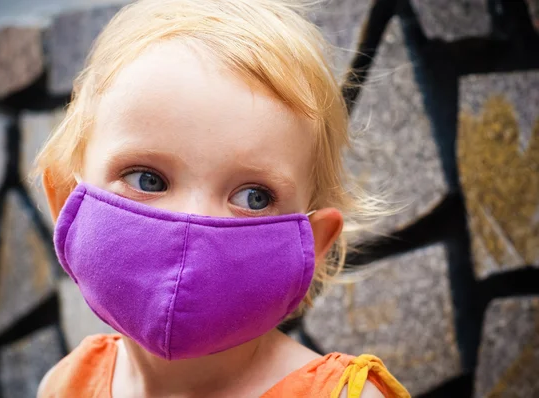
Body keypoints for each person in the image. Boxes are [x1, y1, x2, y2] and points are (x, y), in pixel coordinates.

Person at [34, 0, 410, 396]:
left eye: (253, 197)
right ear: (66, 205)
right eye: (147, 179)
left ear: (311, 248)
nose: (192, 223)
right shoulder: (64, 385)